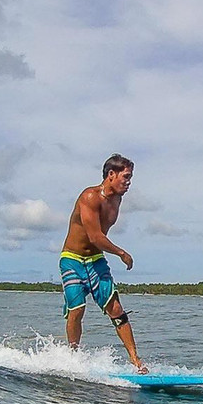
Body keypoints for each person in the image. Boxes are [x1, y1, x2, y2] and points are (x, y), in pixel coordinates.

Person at [59, 154, 147, 373]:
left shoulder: (117, 199)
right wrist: (121, 253)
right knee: (77, 310)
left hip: (96, 259)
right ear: (111, 174)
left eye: (131, 178)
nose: (129, 182)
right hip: (72, 259)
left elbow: (98, 242)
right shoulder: (89, 197)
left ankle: (136, 362)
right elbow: (95, 237)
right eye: (126, 177)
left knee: (116, 309)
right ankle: (72, 359)